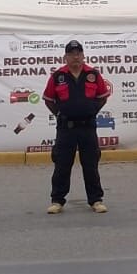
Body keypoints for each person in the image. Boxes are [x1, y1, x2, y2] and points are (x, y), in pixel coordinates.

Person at [41, 40, 113, 214]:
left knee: (91, 164)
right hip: (66, 128)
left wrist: (92, 110)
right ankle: (57, 201)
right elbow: (49, 99)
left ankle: (96, 200)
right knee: (62, 165)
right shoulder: (58, 76)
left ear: (83, 55)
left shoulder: (93, 74)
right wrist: (60, 113)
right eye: (72, 54)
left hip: (87, 127)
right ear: (65, 57)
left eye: (78, 53)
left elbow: (102, 97)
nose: (75, 57)